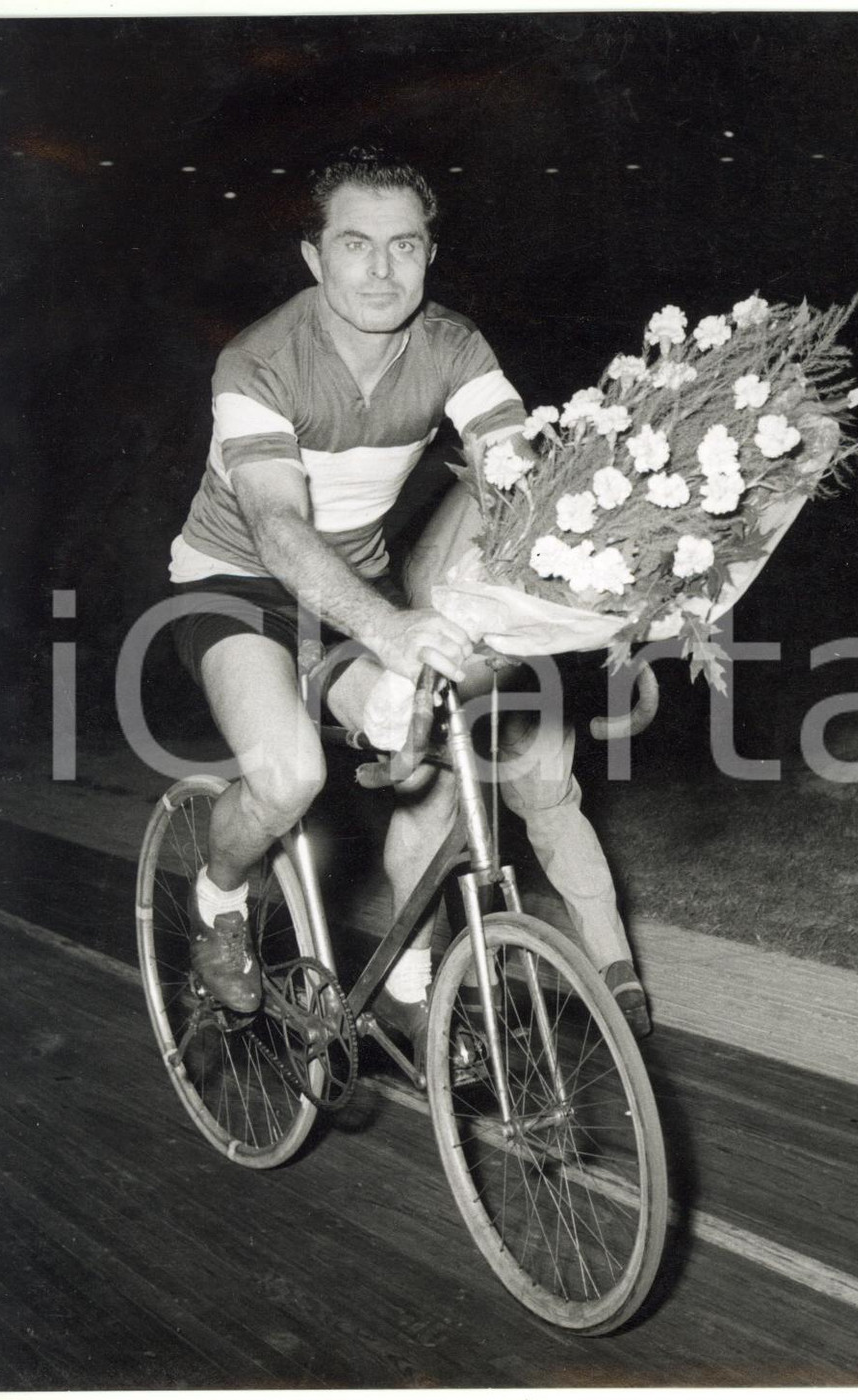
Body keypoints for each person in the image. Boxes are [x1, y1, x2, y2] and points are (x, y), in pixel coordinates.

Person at [168, 145, 650, 1063]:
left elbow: (518, 474)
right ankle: (220, 903)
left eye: (405, 246)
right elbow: (274, 526)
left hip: (354, 587)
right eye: (356, 245)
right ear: (314, 258)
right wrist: (387, 625)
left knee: (435, 743)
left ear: (430, 254)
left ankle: (406, 980)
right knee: (291, 778)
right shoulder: (258, 362)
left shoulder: (456, 347)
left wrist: (591, 571)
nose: (382, 270)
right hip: (235, 585)